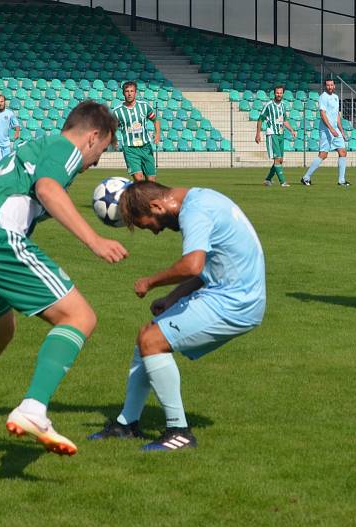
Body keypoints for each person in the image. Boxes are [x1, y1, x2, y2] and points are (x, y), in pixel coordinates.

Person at [0, 101, 128, 461]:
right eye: (103, 150)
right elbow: (48, 189)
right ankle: (34, 408)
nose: (97, 162)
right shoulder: (63, 148)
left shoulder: (34, 149)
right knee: (80, 316)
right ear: (92, 137)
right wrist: (95, 241)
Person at [88, 181, 266, 451]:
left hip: (236, 301)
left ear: (157, 206)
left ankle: (178, 432)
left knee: (153, 341)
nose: (157, 232)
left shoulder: (195, 212)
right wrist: (173, 298)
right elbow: (209, 267)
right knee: (146, 338)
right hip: (231, 292)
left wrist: (150, 282)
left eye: (150, 225)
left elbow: (192, 265)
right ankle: (127, 424)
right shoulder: (203, 198)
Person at [301, 79, 350, 187]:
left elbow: (337, 115)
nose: (330, 87)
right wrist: (331, 129)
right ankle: (306, 177)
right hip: (326, 130)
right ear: (325, 86)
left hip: (335, 129)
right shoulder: (323, 97)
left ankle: (341, 180)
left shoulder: (336, 97)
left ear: (334, 86)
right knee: (323, 154)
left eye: (331, 85)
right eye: (328, 85)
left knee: (343, 152)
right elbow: (323, 114)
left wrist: (341, 130)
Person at [112, 81, 161, 181]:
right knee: (139, 179)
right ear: (123, 93)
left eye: (132, 91)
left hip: (146, 147)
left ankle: (147, 197)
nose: (129, 93)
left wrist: (157, 134)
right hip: (130, 149)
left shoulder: (144, 107)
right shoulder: (117, 112)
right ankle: (138, 196)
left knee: (151, 181)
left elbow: (155, 120)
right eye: (127, 91)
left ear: (136, 92)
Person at [255, 84, 296, 187]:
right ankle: (283, 182)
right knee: (277, 158)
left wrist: (291, 130)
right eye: (277, 93)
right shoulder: (268, 105)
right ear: (274, 93)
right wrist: (258, 134)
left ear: (283, 94)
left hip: (280, 134)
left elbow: (284, 120)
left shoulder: (283, 105)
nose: (279, 94)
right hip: (272, 133)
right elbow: (260, 119)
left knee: (280, 160)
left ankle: (268, 180)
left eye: (280, 93)